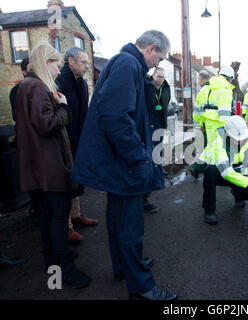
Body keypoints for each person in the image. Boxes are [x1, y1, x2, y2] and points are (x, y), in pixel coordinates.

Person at [71, 30, 177, 300]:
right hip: (125, 162)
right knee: (130, 225)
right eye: (159, 58)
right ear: (151, 48)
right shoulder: (128, 64)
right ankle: (141, 286)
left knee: (118, 218)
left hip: (117, 161)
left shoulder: (124, 63)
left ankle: (124, 266)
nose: (157, 65)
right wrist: (138, 157)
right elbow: (116, 116)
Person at [14, 41, 91, 288]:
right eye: (56, 65)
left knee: (48, 217)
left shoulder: (27, 86)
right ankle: (64, 269)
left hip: (39, 168)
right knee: (58, 218)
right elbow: (47, 124)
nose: (58, 71)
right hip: (50, 168)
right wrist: (64, 107)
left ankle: (52, 260)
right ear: (45, 63)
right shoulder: (37, 87)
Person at [56, 47, 98, 243]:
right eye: (83, 62)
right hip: (65, 141)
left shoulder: (81, 82)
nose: (86, 66)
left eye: (87, 63)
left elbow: (84, 111)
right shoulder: (60, 81)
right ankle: (67, 227)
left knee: (76, 180)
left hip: (79, 139)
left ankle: (76, 215)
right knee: (66, 183)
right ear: (70, 61)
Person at [9, 58, 42, 219]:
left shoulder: (38, 88)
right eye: (29, 69)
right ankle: (35, 207)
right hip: (28, 139)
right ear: (23, 71)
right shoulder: (18, 90)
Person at [143, 67, 171, 214]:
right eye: (158, 76)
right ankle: (143, 197)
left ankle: (158, 171)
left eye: (162, 77)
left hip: (160, 124)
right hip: (147, 125)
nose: (160, 79)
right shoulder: (147, 86)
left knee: (157, 152)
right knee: (148, 158)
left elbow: (166, 103)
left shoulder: (166, 87)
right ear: (153, 76)